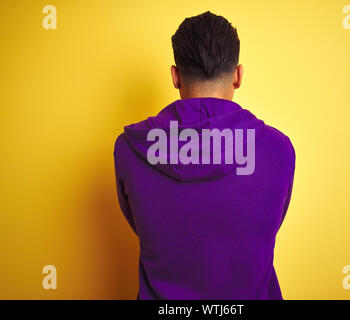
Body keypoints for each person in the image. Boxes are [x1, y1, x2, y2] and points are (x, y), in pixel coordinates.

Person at [113, 11, 295, 300]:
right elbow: (269, 225)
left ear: (175, 76)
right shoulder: (279, 150)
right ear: (238, 75)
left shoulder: (129, 149)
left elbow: (139, 223)